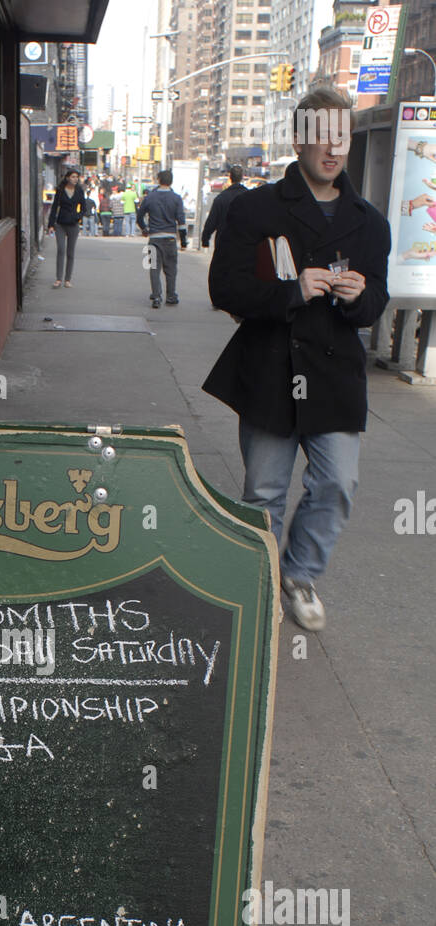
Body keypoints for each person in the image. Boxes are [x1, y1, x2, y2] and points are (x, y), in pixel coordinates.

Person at [202, 88, 390, 631]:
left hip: (334, 376)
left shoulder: (368, 221)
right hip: (270, 370)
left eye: (341, 136)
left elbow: (377, 300)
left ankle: (300, 572)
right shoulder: (255, 207)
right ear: (298, 139)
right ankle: (257, 589)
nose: (331, 149)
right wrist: (291, 291)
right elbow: (225, 288)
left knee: (338, 482)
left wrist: (359, 297)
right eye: (320, 136)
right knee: (263, 492)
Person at [137, 169, 187, 307]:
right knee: (171, 269)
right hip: (170, 239)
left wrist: (144, 229)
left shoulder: (150, 197)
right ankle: (171, 296)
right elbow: (181, 222)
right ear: (171, 181)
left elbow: (139, 216)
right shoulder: (176, 198)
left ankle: (156, 296)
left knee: (154, 268)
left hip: (154, 239)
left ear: (158, 180)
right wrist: (183, 241)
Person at [47, 168, 84, 287]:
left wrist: (77, 217)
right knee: (61, 250)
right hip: (60, 224)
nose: (75, 179)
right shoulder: (60, 190)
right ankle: (58, 279)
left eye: (77, 177)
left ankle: (67, 279)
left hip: (73, 225)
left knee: (70, 253)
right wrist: (51, 224)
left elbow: (84, 208)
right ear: (68, 178)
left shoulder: (79, 191)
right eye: (73, 177)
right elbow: (54, 207)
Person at [201, 165, 247, 250]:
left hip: (223, 243)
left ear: (230, 177)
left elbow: (212, 221)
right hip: (243, 243)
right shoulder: (249, 197)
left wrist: (205, 239)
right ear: (241, 177)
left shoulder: (221, 198)